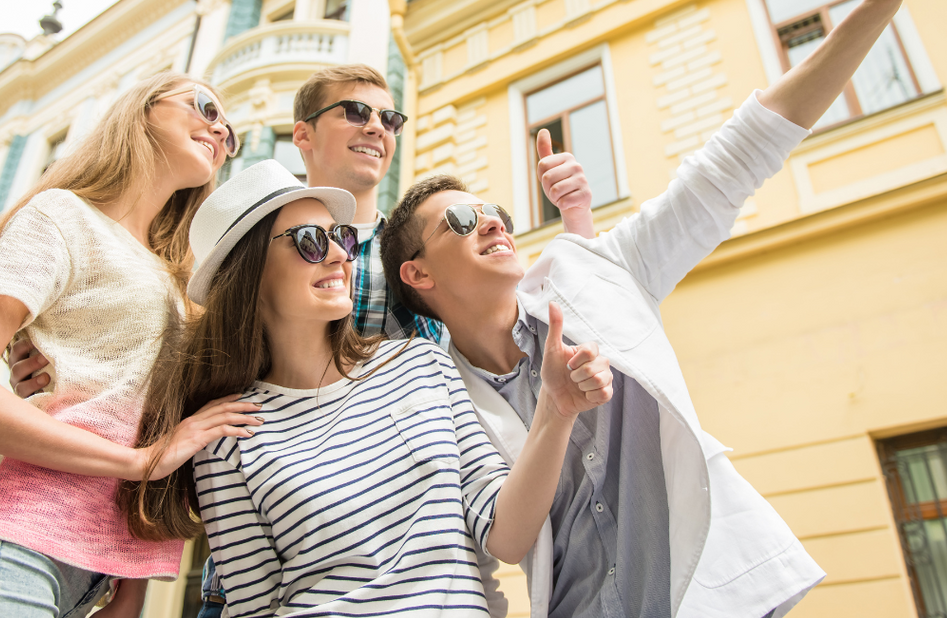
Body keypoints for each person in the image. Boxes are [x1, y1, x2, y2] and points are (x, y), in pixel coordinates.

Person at [380, 0, 912, 616]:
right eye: (461, 223)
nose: (493, 222)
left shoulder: (599, 272)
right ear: (418, 275)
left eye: (492, 211)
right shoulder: (436, 394)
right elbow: (505, 537)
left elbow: (733, 162)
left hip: (712, 597)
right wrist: (555, 408)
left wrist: (874, 9)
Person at [121, 159, 614, 617]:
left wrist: (556, 410)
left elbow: (506, 538)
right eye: (310, 239)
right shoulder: (225, 437)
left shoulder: (421, 365)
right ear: (249, 273)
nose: (338, 254)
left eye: (342, 237)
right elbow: (253, 607)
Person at [0, 73, 265, 618]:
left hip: (85, 580)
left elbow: (150, 416)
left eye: (229, 134)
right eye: (205, 106)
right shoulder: (62, 216)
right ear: (142, 111)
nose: (219, 128)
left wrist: (130, 588)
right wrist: (141, 461)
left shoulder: (177, 279)